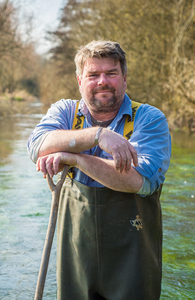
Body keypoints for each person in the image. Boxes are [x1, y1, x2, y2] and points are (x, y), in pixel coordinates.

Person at [27, 40, 171, 300]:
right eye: (93, 74)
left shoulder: (150, 119)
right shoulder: (65, 111)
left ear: (124, 78)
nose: (102, 81)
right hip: (76, 259)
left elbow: (139, 181)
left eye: (111, 73)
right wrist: (97, 136)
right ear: (80, 80)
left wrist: (76, 158)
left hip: (133, 264)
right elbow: (37, 146)